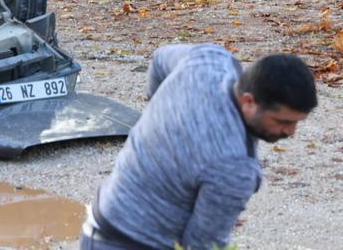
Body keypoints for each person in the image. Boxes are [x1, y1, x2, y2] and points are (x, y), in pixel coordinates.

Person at [81, 44, 317, 250]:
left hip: (100, 218)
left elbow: (160, 59)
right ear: (248, 101)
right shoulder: (234, 166)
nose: (291, 132)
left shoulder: (208, 60)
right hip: (132, 242)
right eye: (283, 122)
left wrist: (157, 115)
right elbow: (201, 245)